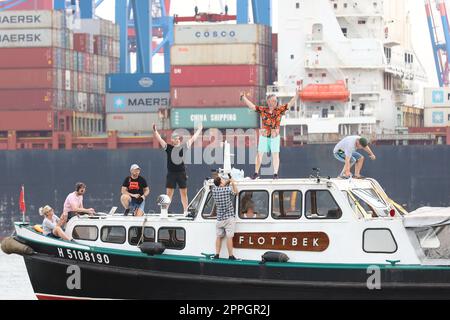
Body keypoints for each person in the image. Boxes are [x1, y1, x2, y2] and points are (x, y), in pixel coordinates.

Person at [241, 91, 298, 179]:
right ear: (268, 101)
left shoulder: (280, 110)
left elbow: (290, 104)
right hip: (264, 136)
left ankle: (275, 174)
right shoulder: (263, 110)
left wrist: (297, 95)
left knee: (275, 155)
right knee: (259, 154)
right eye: (273, 100)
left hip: (274, 137)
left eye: (276, 101)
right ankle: (256, 173)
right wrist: (244, 98)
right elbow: (252, 107)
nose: (275, 102)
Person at [153, 123, 203, 212]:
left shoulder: (184, 147)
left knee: (184, 193)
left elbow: (193, 138)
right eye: (175, 138)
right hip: (171, 173)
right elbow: (160, 139)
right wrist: (155, 131)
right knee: (169, 194)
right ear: (172, 140)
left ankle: (185, 211)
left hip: (181, 173)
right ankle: (165, 211)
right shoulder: (168, 148)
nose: (177, 139)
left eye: (178, 138)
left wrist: (199, 129)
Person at [211, 175, 238, 260]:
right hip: (229, 218)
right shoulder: (227, 189)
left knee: (218, 237)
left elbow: (220, 185)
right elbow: (236, 192)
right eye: (222, 180)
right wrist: (232, 182)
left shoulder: (214, 190)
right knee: (229, 237)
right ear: (221, 182)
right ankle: (230, 255)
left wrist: (227, 181)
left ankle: (217, 254)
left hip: (219, 219)